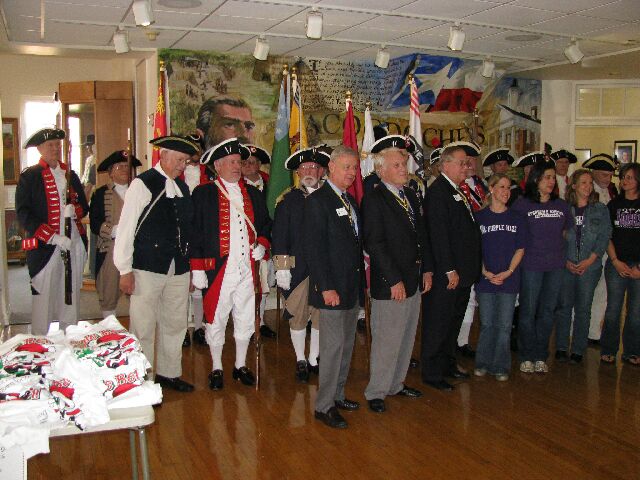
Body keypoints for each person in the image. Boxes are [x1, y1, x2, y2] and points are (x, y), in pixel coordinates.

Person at [113, 135, 200, 393]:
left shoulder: (183, 188)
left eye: (185, 162)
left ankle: (169, 372)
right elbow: (127, 228)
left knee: (175, 323)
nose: (182, 166)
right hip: (146, 267)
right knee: (143, 325)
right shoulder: (143, 184)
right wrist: (124, 270)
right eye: (179, 160)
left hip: (178, 267)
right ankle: (143, 378)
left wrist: (190, 269)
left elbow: (188, 230)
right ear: (163, 156)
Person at [190, 138, 271, 390]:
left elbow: (265, 225)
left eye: (239, 162)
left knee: (245, 317)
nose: (238, 166)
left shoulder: (254, 194)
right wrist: (197, 267)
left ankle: (240, 365)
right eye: (232, 162)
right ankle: (216, 367)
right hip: (218, 270)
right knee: (216, 317)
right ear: (218, 166)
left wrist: (262, 245)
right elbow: (195, 232)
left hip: (247, 269)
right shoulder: (203, 194)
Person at [362, 135, 433, 413]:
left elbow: (421, 236)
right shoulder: (374, 199)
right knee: (387, 339)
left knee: (406, 336)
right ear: (381, 170)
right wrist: (394, 280)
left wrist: (427, 269)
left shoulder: (411, 195)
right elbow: (375, 243)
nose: (404, 169)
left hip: (414, 278)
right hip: (391, 282)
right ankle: (376, 391)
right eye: (397, 165)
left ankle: (396, 384)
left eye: (404, 164)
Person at [304, 145, 364, 429]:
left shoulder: (349, 201)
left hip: (351, 287)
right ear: (331, 168)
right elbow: (314, 250)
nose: (352, 173)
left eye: (355, 168)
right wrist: (326, 287)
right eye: (346, 167)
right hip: (332, 290)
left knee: (346, 346)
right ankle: (324, 405)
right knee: (331, 348)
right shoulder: (319, 201)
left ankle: (338, 394)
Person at [16, 127, 89, 335]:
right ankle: (41, 342)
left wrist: (74, 211)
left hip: (72, 243)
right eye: (50, 145)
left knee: (70, 296)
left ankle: (70, 337)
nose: (56, 148)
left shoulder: (70, 175)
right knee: (43, 297)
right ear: (40, 148)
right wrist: (52, 237)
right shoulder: (30, 176)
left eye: (58, 144)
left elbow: (84, 207)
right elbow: (24, 214)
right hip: (44, 247)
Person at [421, 144, 481, 391]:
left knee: (453, 322)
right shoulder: (438, 192)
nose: (466, 167)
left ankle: (447, 363)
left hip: (463, 272)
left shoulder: (456, 190)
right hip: (448, 274)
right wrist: (448, 269)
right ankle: (432, 372)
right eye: (461, 163)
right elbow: (439, 235)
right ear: (445, 164)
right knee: (439, 323)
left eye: (467, 163)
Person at [272, 146, 329, 383]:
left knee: (320, 315)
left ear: (321, 171)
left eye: (313, 167)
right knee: (298, 314)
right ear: (297, 172)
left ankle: (314, 357)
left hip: (324, 269)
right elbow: (279, 236)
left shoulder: (329, 198)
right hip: (298, 269)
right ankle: (300, 359)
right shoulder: (288, 200)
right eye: (304, 168)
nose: (308, 172)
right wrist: (282, 267)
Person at [512, 160, 572, 374]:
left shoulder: (561, 205)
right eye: (547, 177)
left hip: (555, 266)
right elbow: (516, 235)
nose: (551, 181)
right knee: (528, 310)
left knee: (547, 311)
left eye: (553, 177)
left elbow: (566, 232)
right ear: (536, 179)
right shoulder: (522, 204)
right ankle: (526, 355)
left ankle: (540, 355)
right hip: (531, 265)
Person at [554, 169, 611, 364]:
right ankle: (561, 347)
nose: (588, 187)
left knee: (583, 308)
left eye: (590, 183)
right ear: (574, 186)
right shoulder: (564, 209)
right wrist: (566, 261)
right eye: (583, 183)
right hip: (566, 266)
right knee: (564, 307)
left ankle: (578, 349)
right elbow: (556, 238)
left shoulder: (600, 209)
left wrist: (590, 260)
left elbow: (604, 237)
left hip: (590, 267)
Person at [474, 174, 525, 381]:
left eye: (508, 188)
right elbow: (474, 249)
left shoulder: (517, 218)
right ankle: (482, 362)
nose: (506, 191)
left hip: (509, 280)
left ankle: (501, 365)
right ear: (491, 189)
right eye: (502, 187)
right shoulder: (480, 217)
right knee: (487, 324)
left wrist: (509, 271)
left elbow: (520, 248)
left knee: (504, 326)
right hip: (485, 279)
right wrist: (484, 272)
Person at [89, 150, 142, 318]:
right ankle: (109, 326)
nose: (125, 170)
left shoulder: (140, 191)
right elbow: (95, 221)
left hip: (137, 249)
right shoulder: (100, 193)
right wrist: (112, 230)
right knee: (108, 291)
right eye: (120, 167)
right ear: (111, 172)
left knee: (139, 294)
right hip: (110, 249)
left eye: (128, 166)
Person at [600, 163, 640, 366]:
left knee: (635, 312)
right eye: (623, 177)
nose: (625, 181)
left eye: (630, 177)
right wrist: (615, 261)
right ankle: (608, 349)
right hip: (617, 264)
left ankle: (632, 351)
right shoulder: (613, 205)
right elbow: (607, 236)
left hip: (638, 267)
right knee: (613, 310)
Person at [452, 141, 486, 359]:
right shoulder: (456, 187)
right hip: (461, 251)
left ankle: (463, 341)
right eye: (466, 161)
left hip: (480, 246)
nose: (470, 164)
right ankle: (454, 340)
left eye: (473, 160)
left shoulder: (481, 185)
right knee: (460, 299)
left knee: (471, 299)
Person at [242, 144, 277, 339]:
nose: (249, 166)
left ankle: (260, 320)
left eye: (253, 162)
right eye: (245, 162)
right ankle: (248, 321)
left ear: (259, 165)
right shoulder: (236, 186)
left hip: (271, 240)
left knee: (265, 284)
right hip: (248, 243)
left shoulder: (272, 184)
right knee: (248, 286)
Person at [583, 153, 618, 345]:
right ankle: (579, 329)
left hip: (608, 249)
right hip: (591, 250)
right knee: (586, 292)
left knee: (603, 292)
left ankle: (594, 331)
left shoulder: (612, 191)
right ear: (594, 173)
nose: (608, 179)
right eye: (604, 175)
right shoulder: (589, 192)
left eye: (610, 175)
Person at [182, 133, 211, 348]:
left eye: (197, 148)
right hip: (181, 235)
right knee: (183, 285)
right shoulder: (176, 175)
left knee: (201, 285)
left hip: (203, 235)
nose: (194, 152)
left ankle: (200, 327)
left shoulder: (209, 173)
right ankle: (183, 329)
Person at [80, 134, 96, 200]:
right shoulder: (88, 159)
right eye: (87, 145)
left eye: (89, 145)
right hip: (86, 187)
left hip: (93, 188)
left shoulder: (98, 158)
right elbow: (85, 175)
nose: (87, 147)